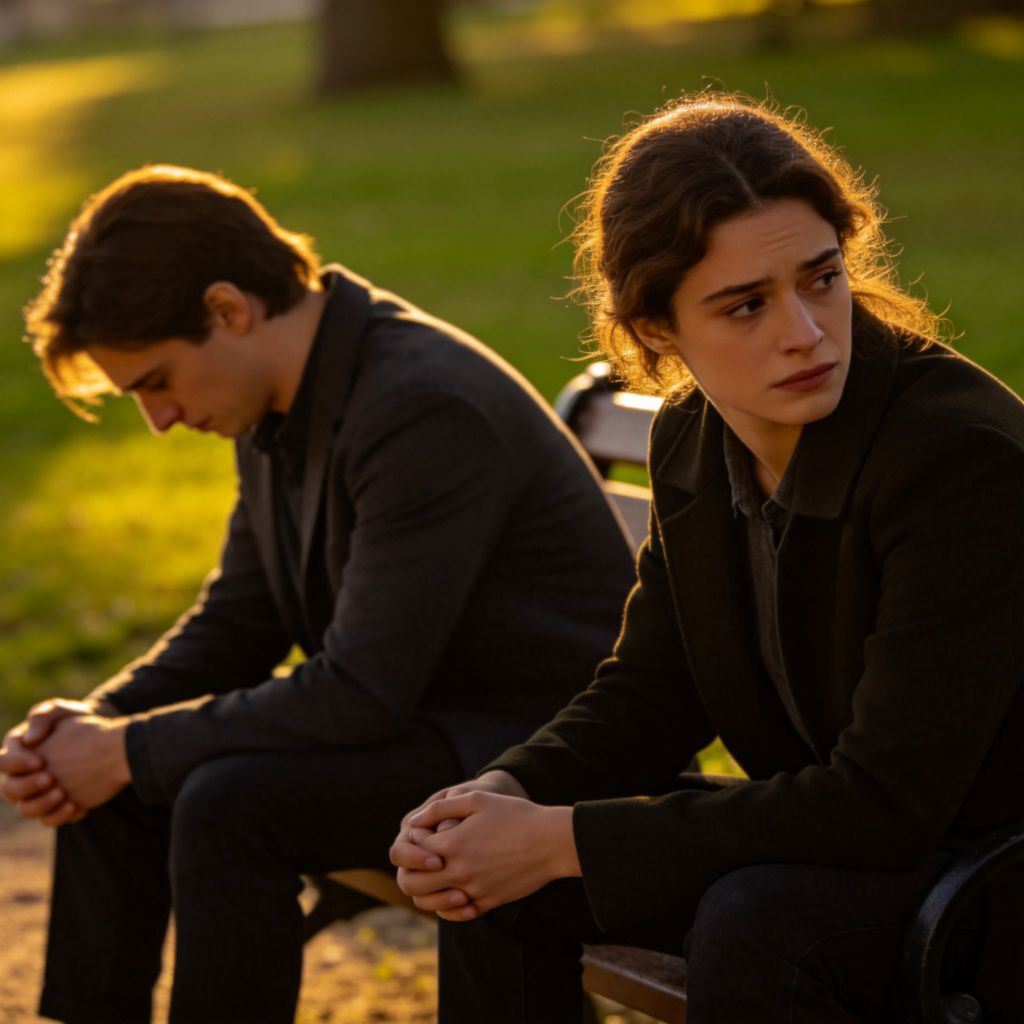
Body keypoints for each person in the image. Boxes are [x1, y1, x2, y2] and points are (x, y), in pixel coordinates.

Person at [390, 91, 1024, 1023]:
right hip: (853, 846)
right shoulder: (694, 437)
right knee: (491, 879)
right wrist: (502, 797)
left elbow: (887, 802)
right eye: (745, 306)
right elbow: (652, 688)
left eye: (822, 278)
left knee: (758, 920)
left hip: (987, 876)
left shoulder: (960, 460)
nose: (805, 331)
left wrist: (563, 837)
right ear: (656, 332)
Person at [0, 165, 638, 1024]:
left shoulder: (420, 405)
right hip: (428, 724)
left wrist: (123, 750)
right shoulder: (280, 399)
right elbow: (238, 618)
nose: (158, 418)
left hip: (534, 750)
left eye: (155, 381)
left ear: (228, 311)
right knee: (123, 780)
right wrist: (90, 731)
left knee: (226, 802)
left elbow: (359, 693)